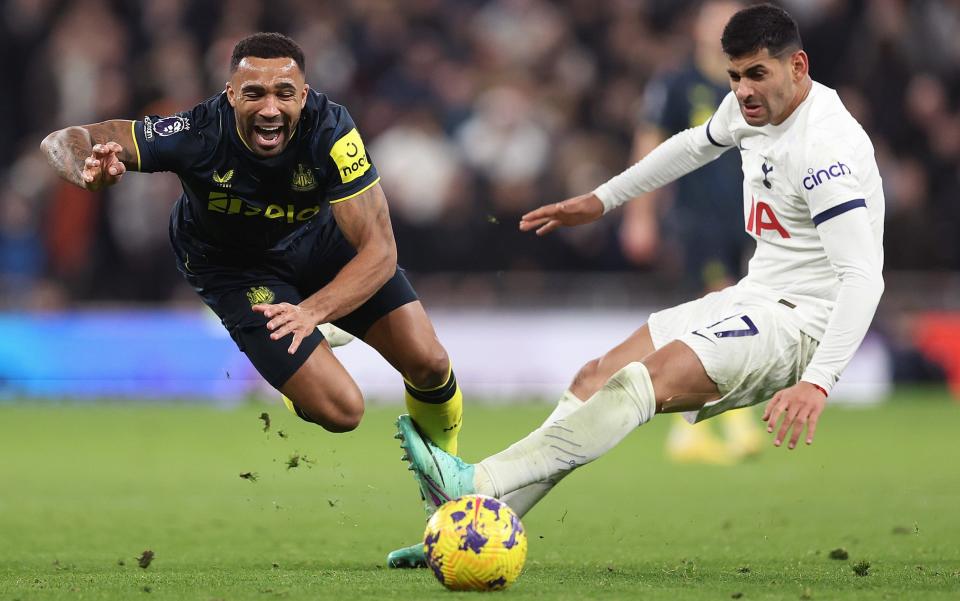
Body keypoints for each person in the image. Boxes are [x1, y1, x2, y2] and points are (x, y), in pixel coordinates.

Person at [397, 4, 884, 528]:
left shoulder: (823, 150)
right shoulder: (752, 110)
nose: (743, 90)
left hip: (801, 322)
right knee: (595, 377)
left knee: (640, 381)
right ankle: (473, 525)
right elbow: (692, 145)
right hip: (755, 295)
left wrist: (818, 381)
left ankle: (475, 484)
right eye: (735, 76)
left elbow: (863, 279)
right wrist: (602, 199)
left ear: (798, 67)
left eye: (757, 75)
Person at [40, 32, 463, 567]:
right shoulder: (195, 130)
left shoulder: (332, 128)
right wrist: (83, 168)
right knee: (342, 411)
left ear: (304, 95)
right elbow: (67, 138)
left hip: (319, 246)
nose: (270, 107)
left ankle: (448, 500)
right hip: (236, 270)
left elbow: (379, 251)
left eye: (284, 93)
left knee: (429, 362)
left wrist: (312, 311)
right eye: (254, 93)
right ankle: (298, 383)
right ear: (229, 95)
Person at [624, 0, 762, 466]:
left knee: (729, 315)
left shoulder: (757, 83)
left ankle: (687, 432)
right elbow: (651, 145)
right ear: (699, 28)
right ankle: (733, 422)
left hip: (752, 218)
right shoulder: (676, 83)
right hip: (697, 216)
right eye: (714, 19)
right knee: (723, 308)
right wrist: (640, 216)